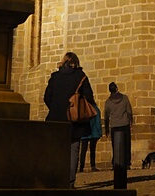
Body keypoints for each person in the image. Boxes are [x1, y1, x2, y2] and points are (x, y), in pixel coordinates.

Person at [44, 52, 96, 188]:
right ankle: (70, 181)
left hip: (56, 119)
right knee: (73, 149)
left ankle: (55, 179)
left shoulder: (55, 77)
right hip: (74, 120)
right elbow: (89, 97)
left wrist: (56, 109)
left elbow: (47, 97)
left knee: (56, 150)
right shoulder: (81, 76)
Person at [104, 82, 133, 170]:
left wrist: (106, 130)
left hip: (114, 126)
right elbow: (129, 111)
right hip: (124, 124)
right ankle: (127, 163)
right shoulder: (124, 98)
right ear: (116, 88)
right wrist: (131, 122)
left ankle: (116, 163)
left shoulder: (108, 102)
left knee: (115, 145)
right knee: (127, 145)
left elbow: (106, 116)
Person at [79, 103, 102, 172]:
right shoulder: (95, 109)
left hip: (84, 132)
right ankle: (93, 165)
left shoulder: (82, 108)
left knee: (83, 150)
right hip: (94, 132)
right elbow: (98, 121)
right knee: (92, 150)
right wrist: (99, 132)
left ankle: (81, 167)